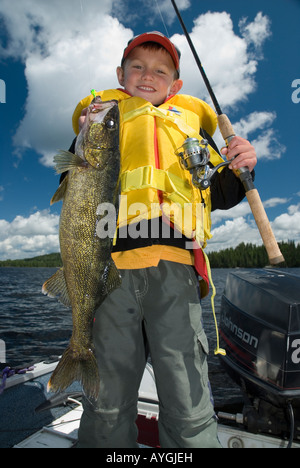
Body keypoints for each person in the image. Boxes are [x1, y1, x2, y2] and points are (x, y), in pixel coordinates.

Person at [68, 31, 257, 448]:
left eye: (160, 70)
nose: (147, 75)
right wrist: (84, 133)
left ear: (176, 84)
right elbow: (76, 181)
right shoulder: (105, 119)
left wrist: (242, 168)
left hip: (178, 268)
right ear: (120, 74)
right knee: (107, 402)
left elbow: (221, 193)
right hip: (110, 269)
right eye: (136, 66)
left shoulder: (191, 127)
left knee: (187, 397)